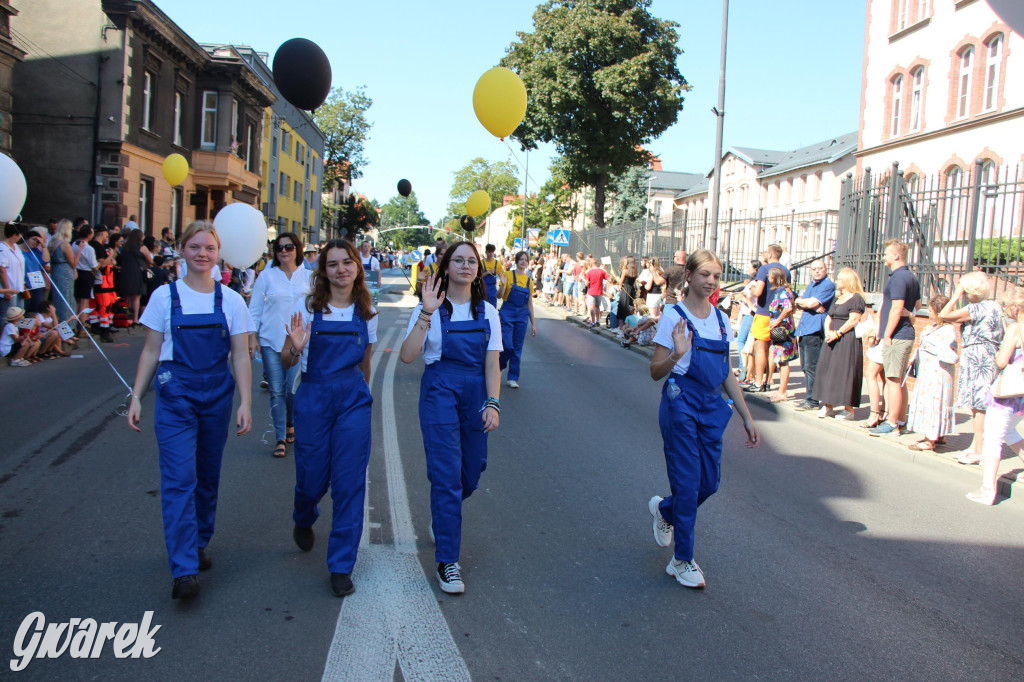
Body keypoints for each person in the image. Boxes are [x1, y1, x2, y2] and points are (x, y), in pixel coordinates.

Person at [127, 220, 254, 600]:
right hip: (176, 396)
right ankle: (184, 570)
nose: (202, 254)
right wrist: (136, 395)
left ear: (218, 255)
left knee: (206, 474)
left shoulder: (231, 300)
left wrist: (246, 401)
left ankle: (198, 541)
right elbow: (151, 350)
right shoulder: (164, 298)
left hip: (217, 394)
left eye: (209, 248)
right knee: (179, 479)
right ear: (182, 249)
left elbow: (240, 355)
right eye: (195, 246)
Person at [648, 250, 759, 589]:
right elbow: (655, 372)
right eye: (705, 274)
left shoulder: (723, 320)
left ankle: (666, 511)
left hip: (711, 407)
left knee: (708, 483)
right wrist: (678, 355)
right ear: (691, 277)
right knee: (686, 481)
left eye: (717, 275)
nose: (712, 281)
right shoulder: (673, 316)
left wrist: (747, 416)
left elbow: (725, 372)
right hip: (681, 402)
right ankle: (682, 560)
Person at [399, 241, 502, 595]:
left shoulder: (488, 311)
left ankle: (442, 516)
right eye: (458, 260)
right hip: (440, 389)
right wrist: (426, 314)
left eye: (471, 261)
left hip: (474, 393)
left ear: (478, 269)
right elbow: (408, 356)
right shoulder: (430, 308)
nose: (465, 265)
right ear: (446, 266)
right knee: (446, 476)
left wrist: (493, 402)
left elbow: (492, 362)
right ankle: (448, 561)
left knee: (470, 475)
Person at [281, 239, 376, 597]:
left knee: (349, 483)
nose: (341, 270)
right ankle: (303, 515)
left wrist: (360, 395)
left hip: (352, 399)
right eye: (333, 264)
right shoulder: (306, 308)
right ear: (324, 271)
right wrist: (295, 346)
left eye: (347, 262)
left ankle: (341, 565)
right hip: (314, 397)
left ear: (357, 267)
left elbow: (365, 361)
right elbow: (287, 360)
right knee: (311, 478)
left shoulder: (367, 310)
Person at [248, 232, 313, 458]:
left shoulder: (310, 277)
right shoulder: (267, 276)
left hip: (298, 343)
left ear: (297, 249)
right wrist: (252, 336)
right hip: (270, 339)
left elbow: (318, 307)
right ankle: (280, 437)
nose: (284, 251)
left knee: (291, 390)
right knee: (276, 390)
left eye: (289, 247)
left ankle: (290, 422)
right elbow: (255, 308)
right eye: (279, 248)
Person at [967, 287, 1024, 505]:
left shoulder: (1014, 330)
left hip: (1008, 393)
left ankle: (987, 489)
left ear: (1016, 307)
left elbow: (1001, 361)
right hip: (1022, 395)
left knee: (992, 439)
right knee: (1009, 431)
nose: (1005, 310)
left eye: (1007, 306)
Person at [939, 271, 1003, 465]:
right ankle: (978, 444)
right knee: (983, 404)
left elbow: (943, 315)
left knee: (979, 406)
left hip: (978, 357)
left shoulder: (977, 308)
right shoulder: (993, 306)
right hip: (989, 354)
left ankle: (979, 451)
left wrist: (956, 295)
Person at [870, 240, 920, 437]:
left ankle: (892, 422)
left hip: (897, 335)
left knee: (892, 380)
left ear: (896, 256)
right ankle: (900, 419)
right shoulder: (911, 277)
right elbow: (917, 305)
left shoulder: (899, 278)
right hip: (904, 333)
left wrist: (887, 334)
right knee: (899, 380)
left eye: (886, 254)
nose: (884, 257)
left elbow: (897, 308)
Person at [811, 268, 866, 420]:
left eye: (840, 279)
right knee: (828, 370)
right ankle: (828, 405)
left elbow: (854, 319)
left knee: (844, 371)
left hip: (846, 339)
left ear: (848, 281)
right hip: (831, 337)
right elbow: (829, 316)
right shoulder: (838, 298)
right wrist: (828, 331)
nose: (837, 282)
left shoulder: (856, 298)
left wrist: (838, 333)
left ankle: (848, 409)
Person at [905, 296, 958, 451]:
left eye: (931, 310)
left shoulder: (948, 330)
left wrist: (930, 348)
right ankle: (937, 435)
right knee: (927, 400)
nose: (928, 313)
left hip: (938, 371)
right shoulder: (932, 327)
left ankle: (931, 439)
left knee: (935, 402)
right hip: (927, 370)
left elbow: (949, 353)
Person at [746, 244, 790, 393]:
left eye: (765, 252)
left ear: (770, 254)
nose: (764, 254)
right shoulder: (786, 271)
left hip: (764, 313)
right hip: (778, 316)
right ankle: (768, 380)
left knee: (760, 349)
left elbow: (758, 292)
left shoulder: (764, 269)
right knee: (773, 349)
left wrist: (751, 288)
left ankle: (758, 382)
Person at [791, 260, 834, 410]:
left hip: (814, 330)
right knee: (805, 366)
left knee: (811, 366)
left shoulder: (827, 284)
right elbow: (798, 302)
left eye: (820, 268)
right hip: (805, 328)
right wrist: (800, 301)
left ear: (826, 268)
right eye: (814, 269)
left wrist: (804, 302)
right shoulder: (812, 284)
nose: (817, 271)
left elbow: (811, 303)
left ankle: (813, 400)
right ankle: (809, 397)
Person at [498, 250, 536, 389]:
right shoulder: (508, 275)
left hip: (522, 315)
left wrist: (534, 324)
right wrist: (502, 285)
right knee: (507, 345)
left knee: (517, 348)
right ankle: (500, 366)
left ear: (528, 262)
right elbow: (499, 296)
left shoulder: (529, 281)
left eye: (526, 260)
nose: (523, 262)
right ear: (516, 261)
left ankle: (513, 378)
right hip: (507, 312)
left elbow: (530, 303)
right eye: (521, 259)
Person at [765, 268, 798, 402]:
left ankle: (782, 392)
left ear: (774, 278)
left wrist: (778, 320)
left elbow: (788, 307)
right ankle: (781, 391)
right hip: (786, 329)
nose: (768, 278)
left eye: (769, 276)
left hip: (782, 331)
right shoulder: (788, 290)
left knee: (783, 361)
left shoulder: (781, 292)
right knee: (781, 360)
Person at [117, 229, 154, 325]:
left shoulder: (125, 247)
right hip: (137, 273)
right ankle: (135, 318)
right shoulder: (142, 247)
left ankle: (125, 317)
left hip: (125, 273)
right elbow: (150, 261)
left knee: (127, 296)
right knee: (137, 297)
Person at [47, 220, 80, 323]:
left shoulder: (52, 242)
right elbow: (73, 263)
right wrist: (80, 250)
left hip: (56, 271)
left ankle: (63, 327)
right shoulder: (65, 244)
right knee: (67, 300)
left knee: (60, 299)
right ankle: (67, 328)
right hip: (65, 272)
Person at [734, 260, 759, 385]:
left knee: (743, 345)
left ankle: (743, 369)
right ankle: (746, 372)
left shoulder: (756, 284)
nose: (747, 269)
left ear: (755, 269)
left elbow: (755, 306)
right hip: (747, 314)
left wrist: (745, 298)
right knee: (746, 347)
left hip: (751, 316)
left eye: (749, 266)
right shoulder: (753, 283)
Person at [0, 223, 26, 322]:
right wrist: (7, 290)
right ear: (14, 235)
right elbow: (1, 270)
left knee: (19, 315)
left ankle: (18, 336)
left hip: (19, 288)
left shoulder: (16, 247)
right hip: (9, 288)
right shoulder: (2, 248)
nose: (21, 237)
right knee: (7, 316)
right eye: (20, 234)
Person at [614, 256, 638, 337]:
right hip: (631, 289)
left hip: (625, 289)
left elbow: (620, 282)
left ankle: (621, 327)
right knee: (629, 307)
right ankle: (627, 326)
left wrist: (616, 276)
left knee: (622, 307)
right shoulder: (635, 271)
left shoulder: (625, 270)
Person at [583, 257, 608, 327]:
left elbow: (587, 283)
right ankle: (598, 320)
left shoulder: (589, 272)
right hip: (599, 291)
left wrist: (585, 280)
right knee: (597, 306)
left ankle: (593, 321)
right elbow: (608, 278)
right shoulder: (602, 271)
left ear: (591, 263)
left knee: (592, 307)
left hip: (591, 292)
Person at [481, 243, 505, 308]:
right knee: (482, 307)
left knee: (493, 308)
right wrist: (488, 272)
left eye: (492, 252)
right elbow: (478, 277)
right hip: (483, 288)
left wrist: (501, 286)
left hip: (493, 289)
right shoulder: (481, 262)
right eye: (489, 252)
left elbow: (502, 276)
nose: (491, 254)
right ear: (486, 252)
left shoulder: (497, 263)